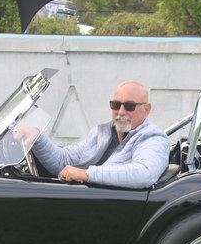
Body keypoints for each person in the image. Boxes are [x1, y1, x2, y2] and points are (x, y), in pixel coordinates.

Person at [30, 80, 171, 189]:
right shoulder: (101, 133)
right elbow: (63, 161)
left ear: (146, 109)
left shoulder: (153, 138)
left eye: (129, 106)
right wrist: (36, 137)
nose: (121, 112)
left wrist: (87, 174)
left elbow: (144, 174)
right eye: (116, 105)